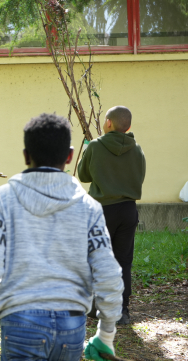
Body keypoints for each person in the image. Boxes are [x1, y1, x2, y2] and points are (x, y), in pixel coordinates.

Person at [0, 113, 124, 361]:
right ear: (70, 155)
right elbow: (108, 272)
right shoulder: (89, 206)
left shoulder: (5, 199)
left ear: (26, 155)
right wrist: (106, 335)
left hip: (19, 322)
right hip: (71, 326)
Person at [78, 106, 146, 325]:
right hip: (127, 210)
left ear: (108, 123)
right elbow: (140, 176)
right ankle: (122, 311)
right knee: (123, 261)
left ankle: (95, 307)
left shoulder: (96, 146)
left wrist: (88, 152)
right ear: (128, 126)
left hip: (102, 210)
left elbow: (83, 175)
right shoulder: (137, 149)